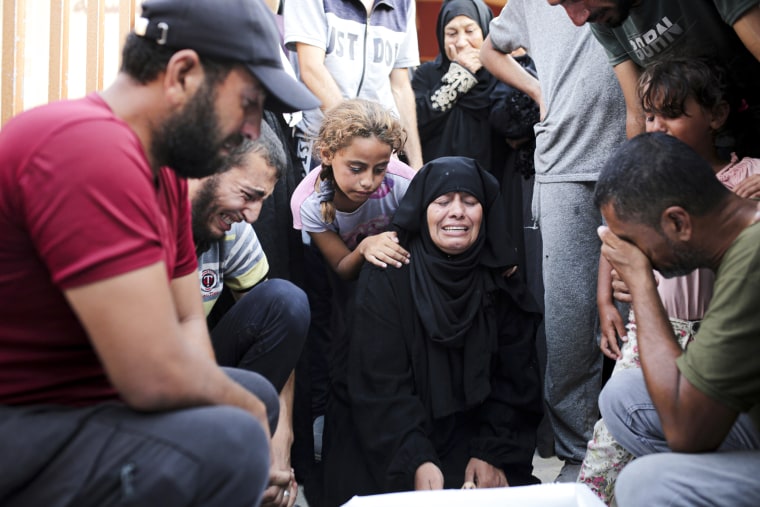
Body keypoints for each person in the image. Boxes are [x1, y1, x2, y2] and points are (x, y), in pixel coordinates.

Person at [0, 0, 319, 504]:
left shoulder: (164, 174)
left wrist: (245, 410)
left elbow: (188, 325)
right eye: (250, 103)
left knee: (246, 403)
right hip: (24, 416)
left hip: (87, 401)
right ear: (184, 74)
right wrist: (253, 426)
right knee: (237, 434)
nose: (254, 131)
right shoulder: (87, 149)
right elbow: (151, 374)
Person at [580, 56, 760, 505]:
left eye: (638, 244)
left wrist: (641, 283)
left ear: (678, 222)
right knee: (622, 396)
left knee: (647, 483)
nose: (638, 257)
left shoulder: (752, 258)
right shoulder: (741, 234)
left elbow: (687, 432)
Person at [323, 156, 543, 505]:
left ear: (485, 211)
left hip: (469, 438)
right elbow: (379, 382)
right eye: (442, 202)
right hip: (389, 435)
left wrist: (492, 452)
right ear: (422, 210)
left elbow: (516, 383)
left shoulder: (501, 283)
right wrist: (414, 457)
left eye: (470, 202)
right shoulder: (388, 275)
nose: (457, 212)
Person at [479, 0, 627, 481]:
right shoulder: (528, 3)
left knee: (635, 308)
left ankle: (636, 441)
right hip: (562, 160)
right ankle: (576, 453)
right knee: (566, 317)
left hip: (633, 150)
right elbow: (490, 51)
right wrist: (540, 91)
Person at [289, 98, 415, 505]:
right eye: (356, 168)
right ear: (328, 155)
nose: (369, 181)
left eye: (380, 168)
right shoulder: (309, 203)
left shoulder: (403, 183)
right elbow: (341, 266)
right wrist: (365, 247)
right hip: (339, 273)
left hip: (396, 277)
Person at [189, 123, 310, 507]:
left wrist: (280, 434)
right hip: (122, 381)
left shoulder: (229, 228)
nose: (254, 215)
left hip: (190, 370)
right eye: (248, 195)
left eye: (263, 200)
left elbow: (278, 320)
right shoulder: (144, 218)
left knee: (285, 302)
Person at [549, 0, 760, 151]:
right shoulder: (605, 18)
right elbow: (638, 112)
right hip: (714, 145)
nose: (577, 19)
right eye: (561, 5)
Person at [283, 0, 423, 171]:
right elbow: (312, 69)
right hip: (323, 143)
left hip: (381, 149)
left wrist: (416, 164)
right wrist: (363, 139)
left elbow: (400, 87)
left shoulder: (405, 3)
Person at [412, 0, 502, 169]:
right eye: (452, 33)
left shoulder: (500, 73)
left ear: (485, 31)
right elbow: (415, 124)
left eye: (470, 31)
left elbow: (510, 128)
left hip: (492, 181)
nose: (461, 42)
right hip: (437, 180)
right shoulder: (427, 74)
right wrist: (459, 76)